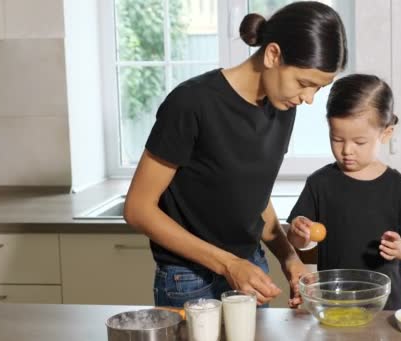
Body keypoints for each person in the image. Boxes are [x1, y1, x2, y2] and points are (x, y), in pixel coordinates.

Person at [123, 1, 348, 307]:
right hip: (189, 279)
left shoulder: (281, 107)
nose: (308, 99)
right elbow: (138, 208)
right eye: (304, 83)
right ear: (272, 55)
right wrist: (228, 264)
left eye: (317, 89)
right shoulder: (192, 103)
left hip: (250, 269)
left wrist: (289, 258)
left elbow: (254, 198)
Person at [287, 74, 401, 310]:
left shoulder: (400, 188)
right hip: (333, 303)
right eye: (337, 139)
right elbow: (296, 239)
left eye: (359, 142)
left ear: (385, 134)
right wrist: (300, 233)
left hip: (385, 308)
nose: (347, 151)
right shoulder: (320, 183)